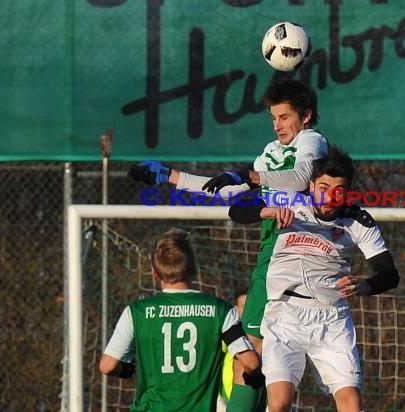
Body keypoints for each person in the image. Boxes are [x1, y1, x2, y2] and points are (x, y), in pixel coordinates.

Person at [128, 78, 328, 412]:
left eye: (284, 117)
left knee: (251, 360)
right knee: (262, 365)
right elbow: (228, 191)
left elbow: (299, 178)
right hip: (273, 257)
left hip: (291, 255)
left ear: (305, 116)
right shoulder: (270, 155)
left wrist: (247, 176)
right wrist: (170, 177)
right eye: (273, 118)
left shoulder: (312, 142)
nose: (277, 125)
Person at [228, 146, 400, 412]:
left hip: (332, 319)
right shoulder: (290, 201)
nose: (329, 196)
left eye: (338, 190)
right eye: (323, 187)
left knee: (351, 405)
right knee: (280, 403)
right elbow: (237, 209)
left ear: (346, 192)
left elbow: (389, 275)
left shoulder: (358, 222)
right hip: (285, 315)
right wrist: (269, 212)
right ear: (310, 185)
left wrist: (365, 285)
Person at [99, 228, 262, 412]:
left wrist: (124, 370)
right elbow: (251, 363)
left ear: (154, 272)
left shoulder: (136, 312)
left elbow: (107, 365)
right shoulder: (220, 310)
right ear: (194, 267)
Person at [218, 290, 248, 412]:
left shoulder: (266, 335)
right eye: (244, 307)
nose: (248, 311)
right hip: (228, 402)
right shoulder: (228, 334)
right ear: (235, 309)